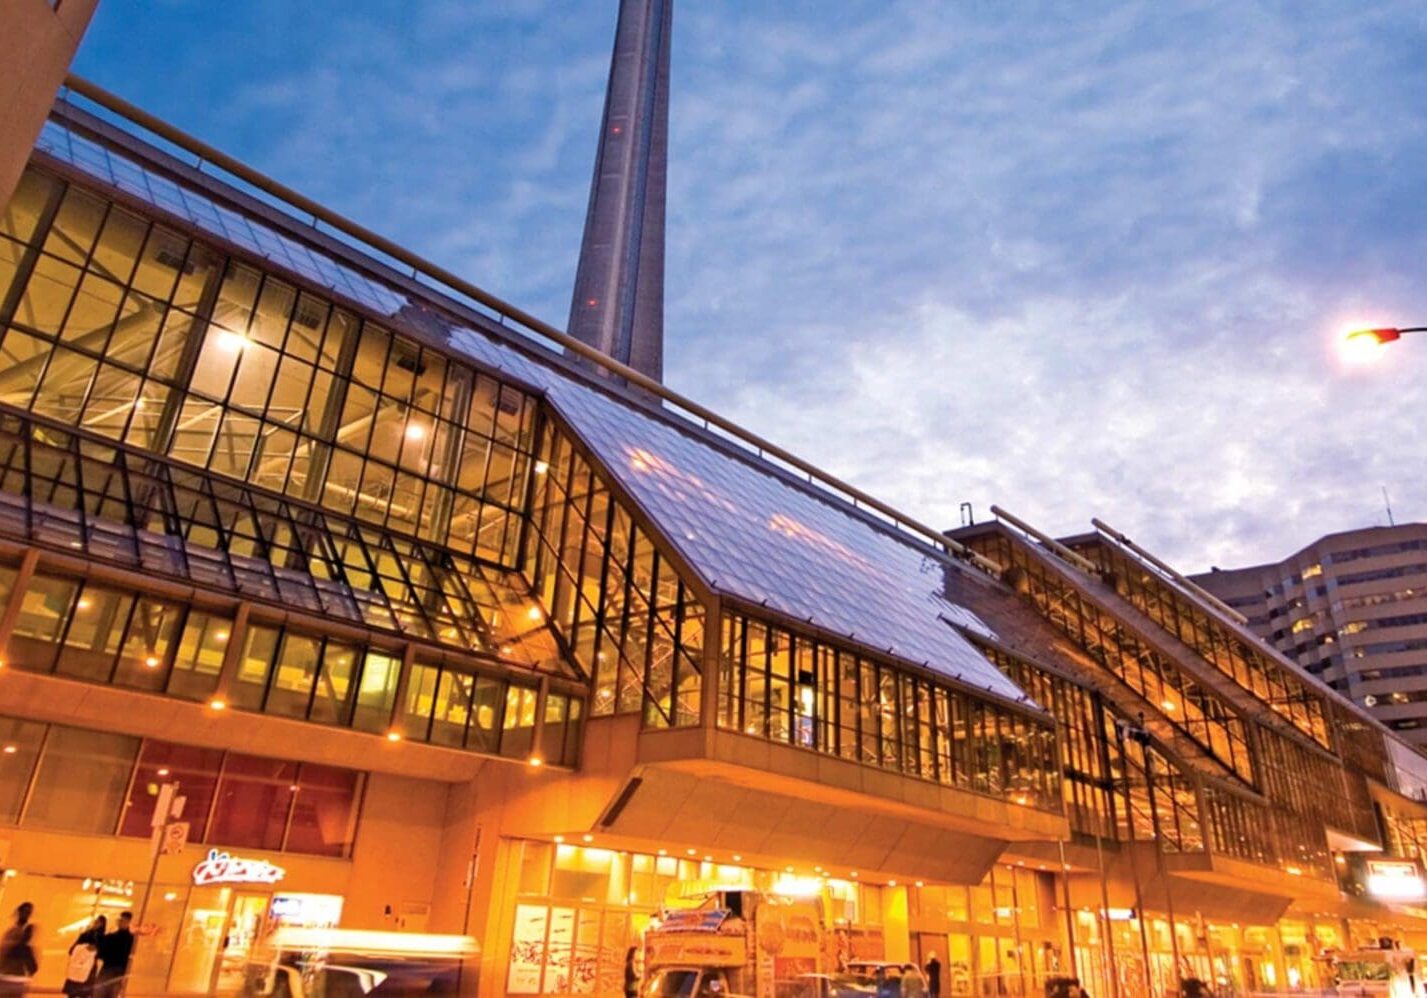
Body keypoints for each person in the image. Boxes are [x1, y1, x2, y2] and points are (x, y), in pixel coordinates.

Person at [0, 903, 38, 996]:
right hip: (19, 979)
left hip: (5, 977)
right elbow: (33, 967)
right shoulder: (26, 944)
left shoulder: (10, 932)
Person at [63, 915, 106, 996]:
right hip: (82, 965)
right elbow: (72, 949)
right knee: (78, 989)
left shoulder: (99, 937)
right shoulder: (88, 934)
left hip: (87, 966)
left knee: (80, 990)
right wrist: (86, 949)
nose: (96, 924)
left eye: (99, 922)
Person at [94, 911, 133, 998]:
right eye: (120, 920)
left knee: (105, 992)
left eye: (123, 920)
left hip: (115, 969)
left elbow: (101, 952)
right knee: (104, 992)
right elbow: (101, 951)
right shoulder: (114, 937)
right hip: (111, 968)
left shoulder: (128, 939)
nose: (120, 922)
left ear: (128, 922)